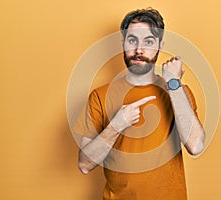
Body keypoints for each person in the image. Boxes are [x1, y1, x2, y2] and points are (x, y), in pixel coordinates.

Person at [73, 8, 205, 200]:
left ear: (160, 45)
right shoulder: (100, 96)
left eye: (148, 41)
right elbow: (85, 164)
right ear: (123, 44)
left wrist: (173, 85)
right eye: (132, 40)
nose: (139, 50)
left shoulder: (178, 93)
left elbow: (195, 146)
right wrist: (117, 125)